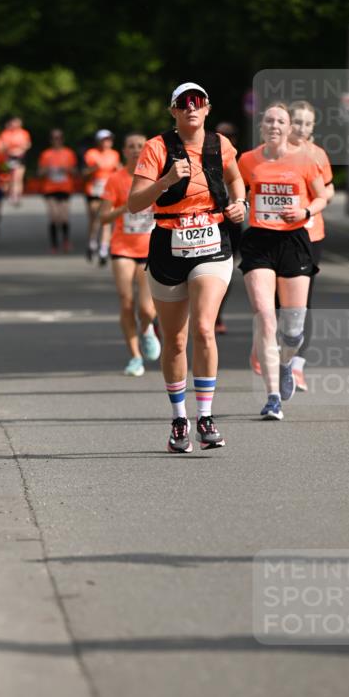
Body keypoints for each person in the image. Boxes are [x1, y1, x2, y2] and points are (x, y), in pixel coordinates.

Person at [128, 82, 246, 452]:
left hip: (212, 240)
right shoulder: (157, 147)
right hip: (167, 242)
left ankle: (206, 417)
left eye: (198, 102)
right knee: (175, 339)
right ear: (174, 111)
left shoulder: (221, 145)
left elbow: (235, 178)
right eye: (184, 103)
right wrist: (166, 180)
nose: (191, 108)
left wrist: (239, 202)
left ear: (207, 108)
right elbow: (134, 203)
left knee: (203, 328)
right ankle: (180, 419)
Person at [237, 103, 329, 420]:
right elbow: (236, 191)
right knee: (265, 315)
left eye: (281, 121)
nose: (274, 125)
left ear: (289, 128)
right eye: (269, 120)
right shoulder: (247, 160)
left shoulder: (305, 159)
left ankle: (287, 361)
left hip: (294, 242)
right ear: (261, 126)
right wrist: (236, 205)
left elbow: (321, 196)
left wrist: (305, 212)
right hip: (259, 241)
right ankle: (272, 397)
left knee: (293, 329)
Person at [100, 133, 161, 376]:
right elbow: (103, 217)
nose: (136, 150)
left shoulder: (155, 177)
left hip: (149, 249)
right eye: (131, 146)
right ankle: (135, 356)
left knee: (147, 309)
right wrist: (125, 207)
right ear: (123, 151)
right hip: (122, 249)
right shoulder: (115, 180)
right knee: (126, 301)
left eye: (140, 146)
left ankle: (146, 329)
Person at [286, 100, 335, 391]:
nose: (302, 127)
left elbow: (328, 188)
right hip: (277, 235)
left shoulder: (317, 155)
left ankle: (297, 366)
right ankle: (273, 357)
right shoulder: (274, 153)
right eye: (297, 121)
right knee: (280, 304)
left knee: (303, 304)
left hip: (310, 235)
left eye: (307, 123)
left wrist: (320, 199)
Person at [214, 121, 242, 335]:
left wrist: (241, 205)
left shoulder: (241, 161)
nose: (226, 138)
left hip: (231, 223)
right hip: (204, 221)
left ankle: (217, 315)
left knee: (225, 271)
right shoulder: (203, 154)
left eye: (230, 134)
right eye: (222, 134)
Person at [37, 129, 79, 253]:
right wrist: (48, 170)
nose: (57, 140)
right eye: (54, 138)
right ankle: (54, 244)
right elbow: (39, 173)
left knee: (64, 217)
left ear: (62, 139)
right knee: (54, 217)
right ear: (50, 140)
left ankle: (66, 241)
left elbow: (76, 172)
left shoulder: (69, 153)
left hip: (65, 188)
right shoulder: (46, 154)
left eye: (59, 138)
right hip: (50, 189)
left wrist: (66, 169)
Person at [83, 130, 121, 265]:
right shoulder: (91, 154)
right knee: (94, 219)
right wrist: (94, 168)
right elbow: (84, 173)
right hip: (93, 190)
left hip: (108, 192)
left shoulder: (114, 154)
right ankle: (92, 243)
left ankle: (103, 250)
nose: (107, 142)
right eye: (104, 140)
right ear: (98, 141)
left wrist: (119, 170)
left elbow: (119, 172)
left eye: (109, 139)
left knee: (106, 220)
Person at [0, 116, 32, 205]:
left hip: (20, 157)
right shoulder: (6, 133)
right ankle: (10, 194)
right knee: (8, 177)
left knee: (17, 177)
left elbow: (27, 144)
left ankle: (16, 196)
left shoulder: (24, 133)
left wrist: (20, 149)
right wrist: (8, 149)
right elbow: (0, 146)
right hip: (8, 158)